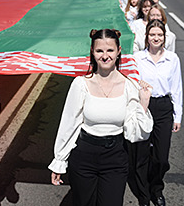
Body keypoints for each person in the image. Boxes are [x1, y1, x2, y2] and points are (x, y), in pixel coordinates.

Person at [50, 27, 152, 206]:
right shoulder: (80, 84)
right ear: (92, 52)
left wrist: (143, 103)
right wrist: (59, 160)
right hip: (84, 156)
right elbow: (69, 124)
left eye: (110, 50)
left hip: (116, 157)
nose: (105, 56)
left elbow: (136, 135)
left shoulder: (130, 86)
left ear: (119, 51)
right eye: (99, 51)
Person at [129, 17, 182, 206]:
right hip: (144, 106)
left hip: (163, 108)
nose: (156, 38)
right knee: (141, 155)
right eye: (152, 34)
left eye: (160, 35)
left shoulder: (172, 59)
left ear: (165, 37)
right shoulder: (138, 58)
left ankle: (156, 188)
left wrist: (178, 115)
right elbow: (130, 82)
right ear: (147, 36)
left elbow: (176, 88)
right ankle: (143, 195)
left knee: (161, 158)